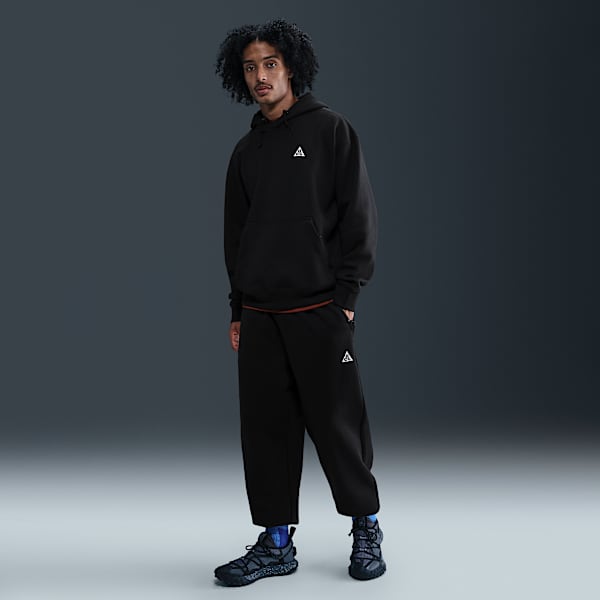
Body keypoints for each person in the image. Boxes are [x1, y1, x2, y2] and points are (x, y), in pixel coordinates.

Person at [214, 19, 385, 586]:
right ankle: (276, 543)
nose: (260, 76)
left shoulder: (331, 130)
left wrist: (347, 297)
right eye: (250, 67)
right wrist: (238, 308)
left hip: (319, 309)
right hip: (261, 314)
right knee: (266, 431)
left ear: (290, 67)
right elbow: (235, 239)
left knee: (339, 426)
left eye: (269, 64)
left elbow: (359, 216)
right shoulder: (246, 152)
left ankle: (365, 526)